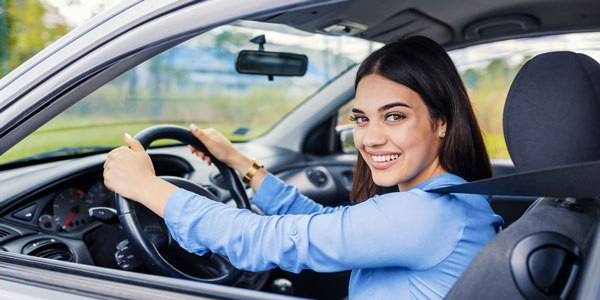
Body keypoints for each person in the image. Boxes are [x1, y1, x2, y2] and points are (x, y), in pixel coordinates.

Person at [103, 36, 503, 299]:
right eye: (361, 118)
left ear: (441, 120)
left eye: (394, 116)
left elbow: (262, 239)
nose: (370, 138)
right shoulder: (454, 197)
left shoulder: (423, 215)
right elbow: (327, 222)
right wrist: (240, 163)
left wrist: (145, 187)